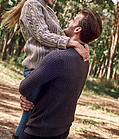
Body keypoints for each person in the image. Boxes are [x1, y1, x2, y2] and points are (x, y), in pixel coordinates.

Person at [2, 0, 89, 139]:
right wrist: (72, 43)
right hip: (36, 68)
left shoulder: (48, 10)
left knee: (35, 115)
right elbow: (42, 35)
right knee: (30, 117)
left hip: (48, 70)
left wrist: (82, 43)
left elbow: (57, 35)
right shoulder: (32, 5)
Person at [18, 8, 102, 139]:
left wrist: (25, 95)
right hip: (62, 129)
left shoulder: (58, 58)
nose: (69, 21)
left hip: (40, 130)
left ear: (77, 29)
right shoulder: (84, 59)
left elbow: (24, 86)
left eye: (73, 20)